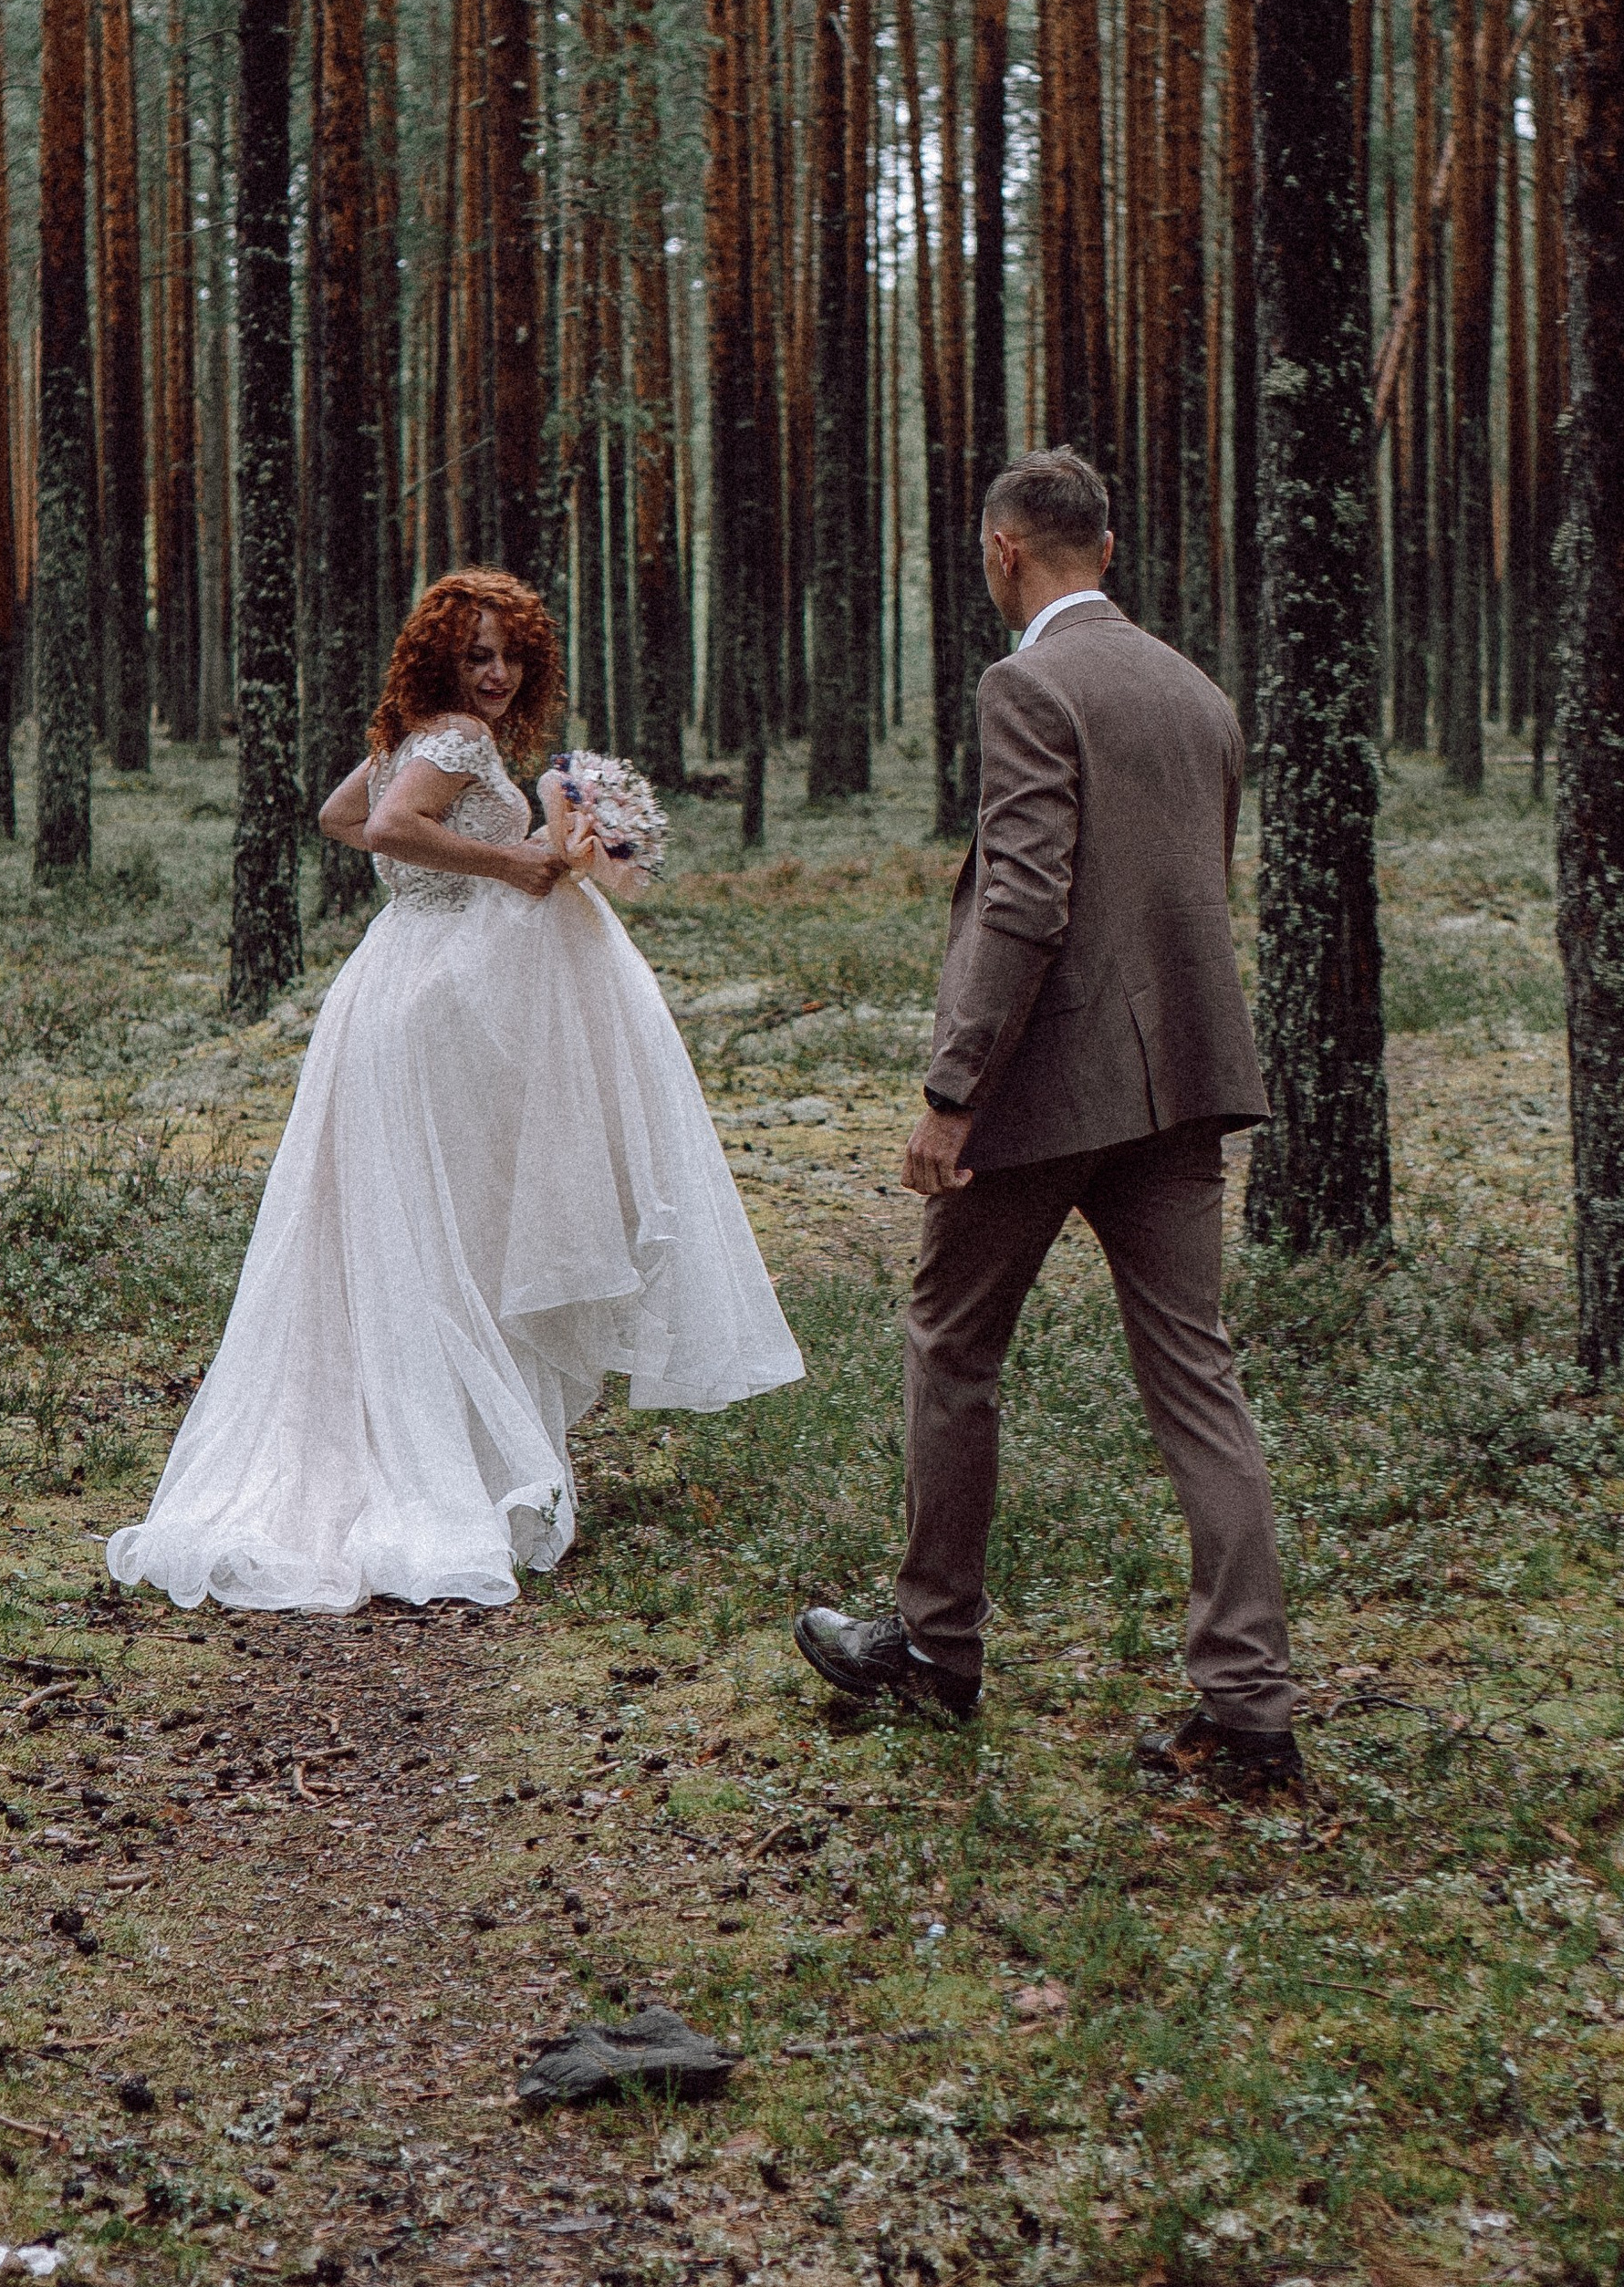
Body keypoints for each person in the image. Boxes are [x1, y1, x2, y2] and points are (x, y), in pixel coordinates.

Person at [109, 570, 802, 1614]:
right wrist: (503, 865)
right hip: (431, 996)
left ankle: (448, 1438)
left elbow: (344, 813)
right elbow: (385, 829)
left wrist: (482, 867)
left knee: (424, 1222)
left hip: (394, 981)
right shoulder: (453, 743)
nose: (496, 673)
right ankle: (451, 1460)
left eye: (511, 655)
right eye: (476, 654)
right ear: (440, 656)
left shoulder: (416, 733)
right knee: (447, 1220)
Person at [793, 450, 1299, 1792]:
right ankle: (1250, 1712)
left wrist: (953, 1090)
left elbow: (1024, 898)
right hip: (1187, 1085)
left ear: (1003, 550)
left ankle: (935, 1648)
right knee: (1198, 1380)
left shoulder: (1027, 684)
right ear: (1108, 550)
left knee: (952, 1342)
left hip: (1046, 1086)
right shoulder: (1198, 692)